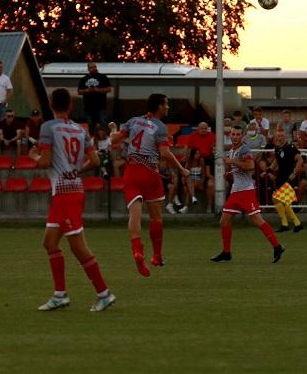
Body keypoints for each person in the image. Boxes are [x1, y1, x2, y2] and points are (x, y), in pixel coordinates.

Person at [31, 87, 116, 312]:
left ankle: (104, 293)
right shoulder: (80, 130)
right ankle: (60, 295)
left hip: (64, 193)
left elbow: (45, 161)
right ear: (70, 105)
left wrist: (34, 156)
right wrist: (77, 171)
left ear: (50, 104)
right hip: (70, 190)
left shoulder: (48, 127)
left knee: (78, 247)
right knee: (50, 242)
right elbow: (96, 161)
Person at [109, 93, 189, 275]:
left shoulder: (134, 121)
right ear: (159, 106)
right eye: (166, 104)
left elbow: (114, 139)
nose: (168, 107)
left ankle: (138, 251)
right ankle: (157, 256)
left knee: (134, 216)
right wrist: (182, 169)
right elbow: (165, 153)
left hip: (132, 172)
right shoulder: (160, 127)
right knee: (156, 217)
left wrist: (113, 128)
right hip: (150, 173)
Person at [210, 125, 286, 263]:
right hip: (236, 191)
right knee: (224, 220)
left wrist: (232, 162)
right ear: (230, 135)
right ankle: (226, 252)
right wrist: (229, 174)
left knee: (257, 219)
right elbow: (241, 169)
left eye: (238, 134)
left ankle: (277, 246)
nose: (235, 136)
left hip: (246, 191)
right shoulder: (233, 150)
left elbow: (250, 166)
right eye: (233, 134)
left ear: (242, 136)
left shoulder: (244, 149)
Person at [267, 128, 303, 233]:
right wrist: (269, 170)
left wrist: (294, 173)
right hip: (280, 177)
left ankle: (292, 223)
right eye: (278, 136)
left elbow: (300, 160)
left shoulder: (291, 147)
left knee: (281, 200)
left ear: (285, 137)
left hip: (289, 177)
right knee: (280, 200)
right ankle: (292, 224)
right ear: (275, 137)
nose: (280, 138)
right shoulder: (277, 148)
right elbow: (276, 162)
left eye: (282, 136)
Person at [77, 62, 112, 133]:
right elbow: (79, 91)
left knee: (103, 124)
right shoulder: (84, 79)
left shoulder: (103, 77)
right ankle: (93, 142)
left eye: (94, 67)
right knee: (91, 125)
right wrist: (87, 90)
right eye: (91, 67)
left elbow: (109, 89)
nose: (93, 68)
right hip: (88, 107)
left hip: (101, 106)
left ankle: (105, 141)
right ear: (88, 69)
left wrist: (98, 90)